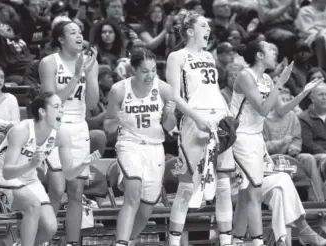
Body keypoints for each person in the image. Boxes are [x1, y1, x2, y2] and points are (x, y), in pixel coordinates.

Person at [104, 47, 214, 246]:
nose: (150, 75)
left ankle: (128, 240)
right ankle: (120, 242)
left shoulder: (163, 89)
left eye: (153, 70)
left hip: (155, 147)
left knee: (147, 209)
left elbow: (168, 128)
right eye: (145, 71)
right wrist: (116, 121)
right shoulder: (119, 90)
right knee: (133, 193)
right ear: (133, 71)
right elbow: (107, 127)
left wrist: (170, 114)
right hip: (129, 144)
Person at [230, 40, 321, 246]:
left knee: (247, 196)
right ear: (259, 55)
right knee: (252, 193)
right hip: (240, 138)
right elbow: (263, 109)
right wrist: (280, 82)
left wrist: (304, 92)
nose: (275, 52)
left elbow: (279, 110)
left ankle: (234, 240)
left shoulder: (267, 80)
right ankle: (258, 242)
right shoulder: (245, 75)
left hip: (256, 139)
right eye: (271, 49)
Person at [0, 92, 99, 246]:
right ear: (42, 111)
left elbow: (70, 174)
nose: (62, 110)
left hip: (28, 179)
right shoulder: (21, 130)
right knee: (33, 206)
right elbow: (7, 172)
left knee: (50, 228)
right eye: (56, 107)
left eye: (62, 107)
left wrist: (84, 163)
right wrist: (31, 165)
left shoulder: (61, 135)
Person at [165, 10, 237, 246]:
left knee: (224, 183)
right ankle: (174, 242)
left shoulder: (208, 56)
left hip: (218, 121)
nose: (208, 30)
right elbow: (175, 96)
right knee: (188, 185)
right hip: (194, 122)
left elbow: (213, 90)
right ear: (189, 31)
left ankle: (226, 241)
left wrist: (227, 115)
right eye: (203, 26)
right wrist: (196, 118)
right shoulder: (177, 56)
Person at [39, 20, 99, 246]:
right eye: (72, 32)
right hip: (56, 125)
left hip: (79, 126)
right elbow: (50, 104)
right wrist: (76, 76)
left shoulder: (87, 63)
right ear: (61, 39)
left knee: (76, 192)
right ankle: (45, 240)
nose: (79, 35)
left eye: (81, 31)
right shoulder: (49, 62)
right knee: (56, 188)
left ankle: (71, 243)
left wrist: (91, 71)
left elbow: (92, 103)